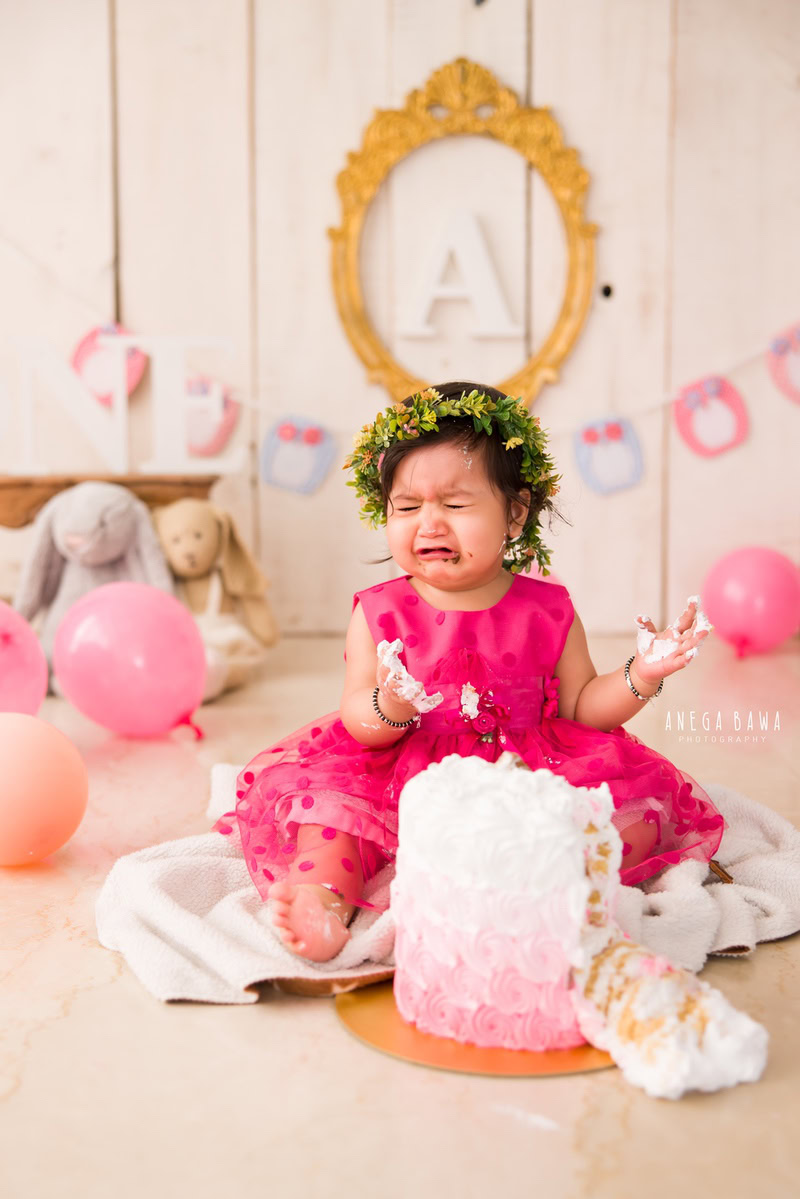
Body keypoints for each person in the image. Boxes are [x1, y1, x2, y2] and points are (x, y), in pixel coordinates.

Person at [214, 382, 722, 962]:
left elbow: (584, 706)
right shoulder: (379, 610)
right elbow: (358, 718)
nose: (428, 524)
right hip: (405, 772)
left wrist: (642, 673)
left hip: (528, 773)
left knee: (635, 822)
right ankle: (323, 902)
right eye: (406, 507)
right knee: (334, 820)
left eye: (455, 505)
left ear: (515, 514)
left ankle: (544, 885)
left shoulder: (547, 608)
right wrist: (390, 707)